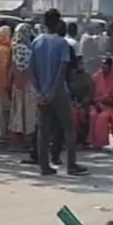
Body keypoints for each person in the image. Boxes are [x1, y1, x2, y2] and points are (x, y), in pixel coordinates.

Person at [30, 9, 88, 176]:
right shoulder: (61, 43)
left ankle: (44, 166)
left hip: (41, 92)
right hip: (58, 91)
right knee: (68, 128)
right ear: (57, 23)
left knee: (43, 130)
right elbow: (61, 71)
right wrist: (51, 92)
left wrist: (39, 92)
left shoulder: (37, 41)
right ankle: (71, 164)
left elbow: (31, 69)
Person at [10, 22, 39, 156]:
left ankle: (19, 140)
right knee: (28, 113)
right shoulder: (30, 48)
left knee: (19, 111)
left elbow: (15, 67)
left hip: (18, 84)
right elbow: (29, 68)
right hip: (28, 84)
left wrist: (17, 80)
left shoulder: (15, 47)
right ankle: (26, 140)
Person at [90, 56, 113, 149]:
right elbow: (91, 93)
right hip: (95, 104)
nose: (103, 66)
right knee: (92, 115)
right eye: (102, 64)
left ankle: (100, 143)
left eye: (106, 64)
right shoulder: (96, 77)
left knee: (103, 117)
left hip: (109, 106)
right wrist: (97, 103)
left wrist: (106, 102)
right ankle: (89, 141)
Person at [0, 25, 13, 143]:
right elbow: (5, 68)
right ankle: (4, 134)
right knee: (6, 110)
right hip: (5, 83)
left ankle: (0, 133)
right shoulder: (5, 50)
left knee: (1, 109)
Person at [69, 55, 95, 146]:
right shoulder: (70, 76)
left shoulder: (87, 76)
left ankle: (85, 140)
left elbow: (89, 92)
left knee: (87, 114)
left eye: (82, 63)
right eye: (79, 63)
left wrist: (83, 103)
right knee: (73, 114)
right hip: (71, 102)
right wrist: (73, 102)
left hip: (85, 103)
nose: (81, 65)